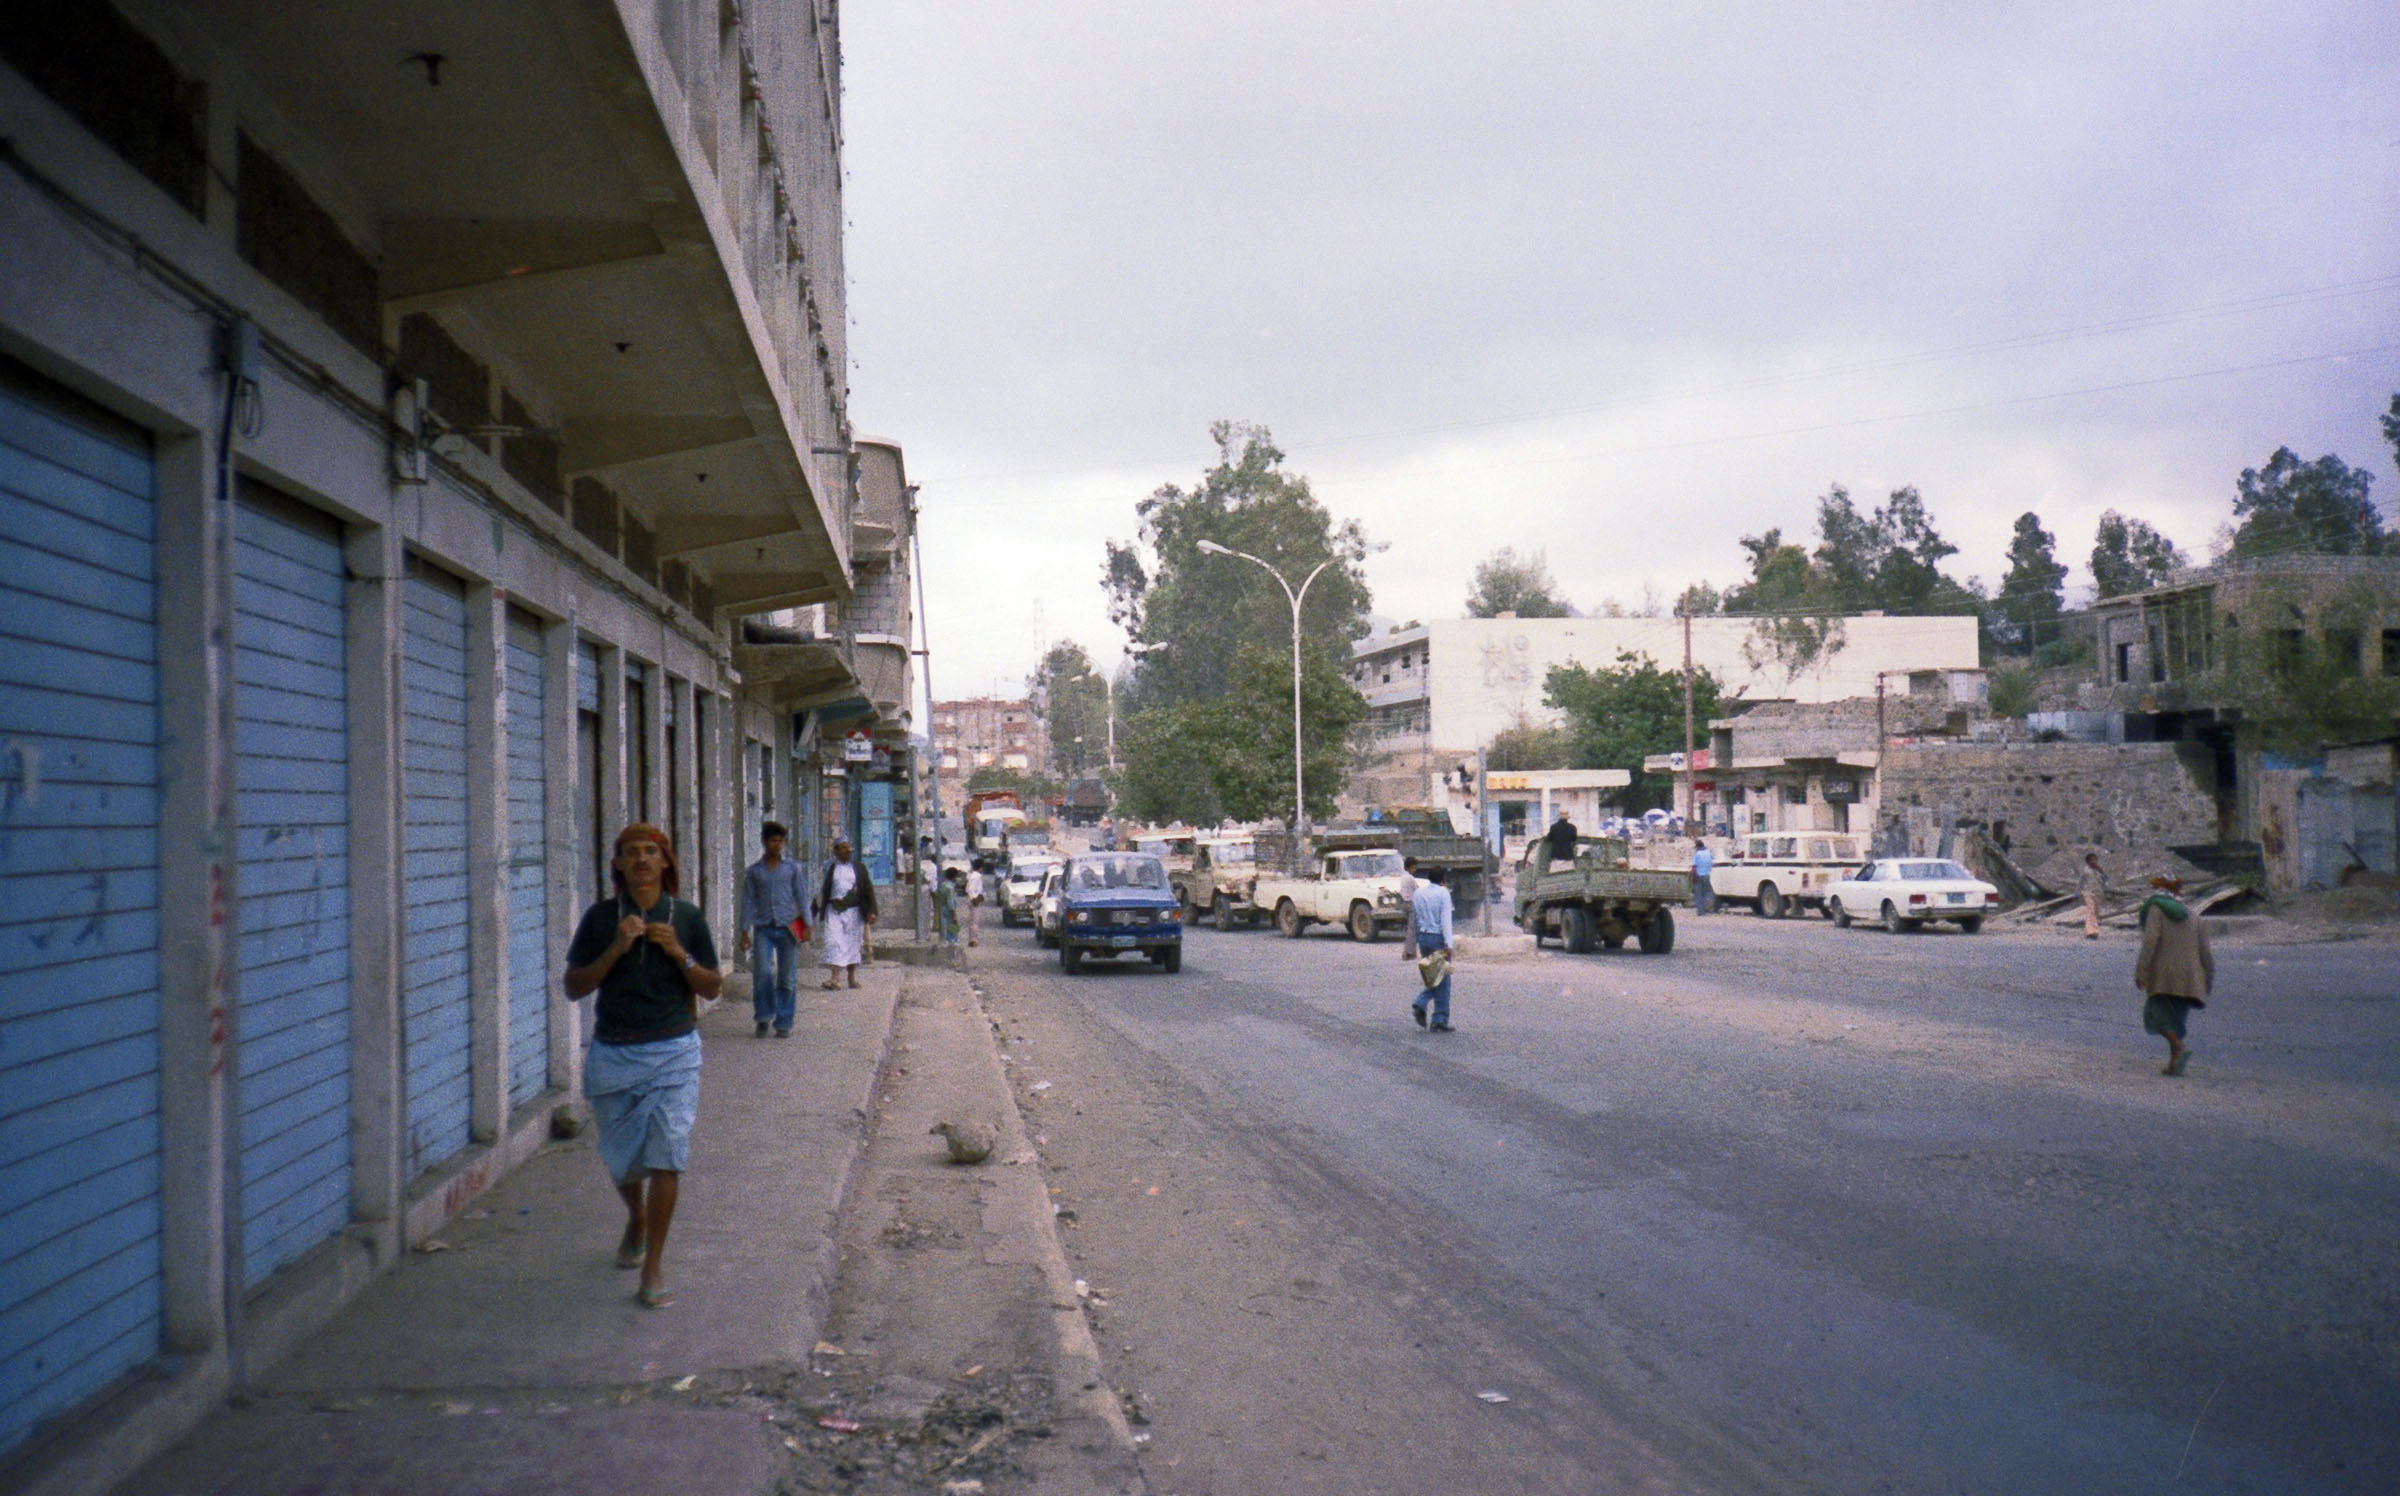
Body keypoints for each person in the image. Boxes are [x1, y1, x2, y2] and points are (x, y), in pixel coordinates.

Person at [563, 823, 721, 1309]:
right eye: (630, 854)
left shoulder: (688, 918)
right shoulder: (599, 919)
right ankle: (635, 1216)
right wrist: (616, 947)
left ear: (667, 862)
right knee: (623, 1160)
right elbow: (574, 987)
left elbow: (712, 986)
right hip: (614, 1053)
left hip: (674, 1051)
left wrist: (679, 953)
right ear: (617, 866)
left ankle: (653, 1263)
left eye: (651, 852)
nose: (641, 861)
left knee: (666, 1156)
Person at [2134, 875, 2214, 1077]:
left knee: (2155, 1014)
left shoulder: (2155, 910)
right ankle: (2173, 1065)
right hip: (2191, 977)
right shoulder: (2193, 915)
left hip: (2164, 974)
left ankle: (2178, 1047)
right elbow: (2205, 952)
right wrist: (2208, 979)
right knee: (2176, 1019)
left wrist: (2141, 972)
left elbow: (2150, 942)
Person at [736, 820, 808, 1038]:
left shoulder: (792, 869)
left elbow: (801, 897)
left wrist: (808, 925)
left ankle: (784, 1021)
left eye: (781, 841)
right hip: (764, 928)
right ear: (765, 842)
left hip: (788, 928)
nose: (777, 845)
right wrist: (744, 931)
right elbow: (747, 901)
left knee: (787, 977)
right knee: (763, 973)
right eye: (773, 841)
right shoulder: (754, 871)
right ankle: (763, 1016)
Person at [814, 839, 877, 988]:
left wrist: (872, 910)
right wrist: (812, 912)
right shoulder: (829, 868)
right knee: (834, 942)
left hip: (854, 911)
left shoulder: (859, 868)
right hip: (834, 910)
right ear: (836, 851)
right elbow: (822, 891)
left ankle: (851, 978)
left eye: (849, 848)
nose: (848, 851)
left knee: (853, 944)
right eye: (844, 848)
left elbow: (868, 889)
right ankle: (835, 979)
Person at [1410, 866, 1457, 1033]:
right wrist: (1449, 944)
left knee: (1433, 976)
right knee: (1443, 979)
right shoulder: (1443, 894)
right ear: (1443, 879)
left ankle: (1432, 1013)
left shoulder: (1418, 893)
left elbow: (1415, 918)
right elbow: (1446, 920)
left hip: (1423, 937)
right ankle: (1435, 1016)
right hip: (1438, 938)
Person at [1397, 855, 1422, 961]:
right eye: (1414, 867)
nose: (1415, 870)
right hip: (1411, 904)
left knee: (1410, 929)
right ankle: (1409, 952)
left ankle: (1408, 951)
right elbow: (1417, 890)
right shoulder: (1411, 878)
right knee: (1412, 930)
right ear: (1410, 867)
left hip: (1404, 903)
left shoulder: (1403, 877)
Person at [2079, 853, 2107, 940]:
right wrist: (2078, 891)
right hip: (2088, 892)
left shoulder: (2099, 870)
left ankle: (2094, 930)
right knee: (2090, 910)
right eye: (2091, 860)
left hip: (2098, 893)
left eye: (2094, 860)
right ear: (2088, 862)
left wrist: (2101, 872)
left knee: (2096, 911)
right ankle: (2091, 931)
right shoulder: (2086, 870)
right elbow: (2081, 881)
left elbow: (2105, 880)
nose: (2093, 861)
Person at [933, 867, 962, 945]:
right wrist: (954, 915)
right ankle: (953, 941)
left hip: (942, 907)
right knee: (953, 925)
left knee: (945, 925)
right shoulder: (950, 888)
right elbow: (950, 902)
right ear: (954, 877)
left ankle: (948, 940)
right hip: (949, 909)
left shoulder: (943, 885)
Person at [964, 858, 987, 947]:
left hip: (974, 900)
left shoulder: (972, 875)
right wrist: (975, 899)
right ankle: (973, 940)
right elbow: (970, 890)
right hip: (974, 901)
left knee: (973, 921)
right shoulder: (976, 876)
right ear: (980, 867)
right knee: (974, 921)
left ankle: (972, 939)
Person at [1691, 839, 1716, 916]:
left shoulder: (1697, 854)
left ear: (1697, 847)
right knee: (1707, 893)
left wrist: (1693, 877)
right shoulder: (1709, 853)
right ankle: (1708, 908)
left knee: (1698, 894)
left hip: (1698, 875)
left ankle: (1700, 911)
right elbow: (1712, 862)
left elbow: (1694, 867)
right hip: (1707, 875)